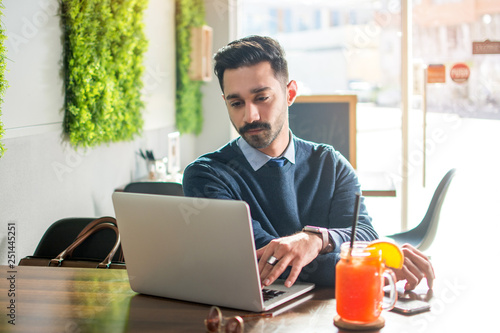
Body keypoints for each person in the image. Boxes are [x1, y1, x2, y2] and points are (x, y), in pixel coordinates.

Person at [182, 35, 434, 290]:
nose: (250, 116)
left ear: (290, 93)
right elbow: (269, 264)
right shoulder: (207, 175)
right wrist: (371, 265)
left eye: (261, 98)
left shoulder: (331, 164)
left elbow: (365, 235)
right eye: (236, 103)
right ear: (225, 102)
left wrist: (315, 240)